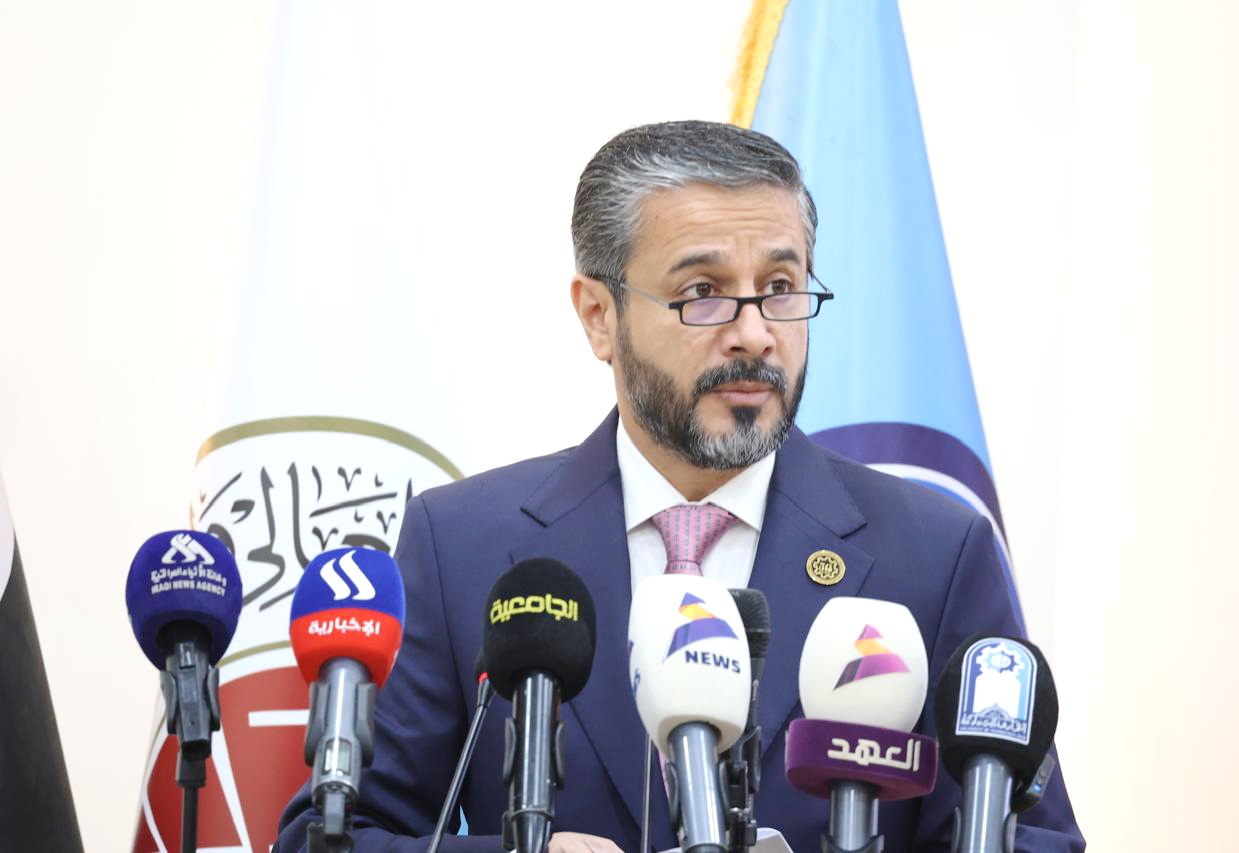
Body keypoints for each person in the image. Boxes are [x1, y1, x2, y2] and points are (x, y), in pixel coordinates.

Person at [277, 120, 1084, 852]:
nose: (754, 334)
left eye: (780, 287)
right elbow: (330, 837)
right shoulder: (462, 545)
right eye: (703, 293)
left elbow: (1033, 842)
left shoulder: (935, 553)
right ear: (599, 315)